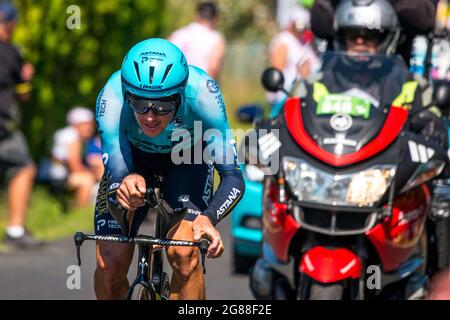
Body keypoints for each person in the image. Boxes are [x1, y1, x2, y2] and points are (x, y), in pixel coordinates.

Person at [94, 38, 244, 299]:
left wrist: (208, 217)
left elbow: (232, 176)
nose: (150, 116)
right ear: (126, 92)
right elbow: (117, 170)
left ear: (181, 94)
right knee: (110, 260)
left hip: (188, 158)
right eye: (139, 103)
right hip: (134, 162)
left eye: (163, 105)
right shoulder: (112, 96)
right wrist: (123, 184)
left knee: (184, 254)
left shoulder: (204, 94)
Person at [0, 2, 43, 248]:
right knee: (23, 167)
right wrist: (26, 77)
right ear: (10, 24)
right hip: (2, 126)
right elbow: (23, 94)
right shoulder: (10, 52)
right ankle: (15, 230)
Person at [310, 0, 436, 66]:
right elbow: (319, 24)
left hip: (390, 80)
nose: (360, 40)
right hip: (339, 77)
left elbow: (425, 21)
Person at [267, 5, 321, 117]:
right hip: (285, 98)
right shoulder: (284, 40)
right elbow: (277, 72)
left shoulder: (303, 43)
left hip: (305, 97)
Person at [49, 107, 96, 207]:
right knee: (87, 179)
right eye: (88, 124)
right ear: (77, 124)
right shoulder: (73, 137)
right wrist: (92, 173)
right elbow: (74, 164)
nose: (91, 128)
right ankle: (81, 210)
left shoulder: (64, 133)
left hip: (51, 175)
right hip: (59, 178)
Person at [168, 1, 226, 82]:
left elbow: (166, 58)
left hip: (175, 86)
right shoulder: (217, 39)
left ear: (196, 16)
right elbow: (214, 67)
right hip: (198, 88)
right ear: (215, 19)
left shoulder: (179, 34)